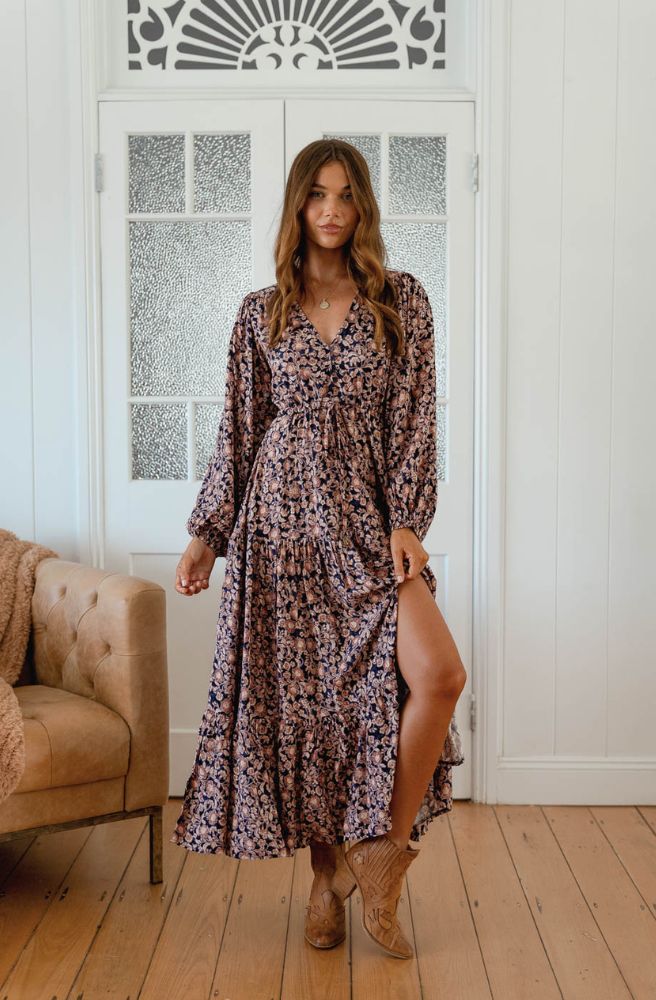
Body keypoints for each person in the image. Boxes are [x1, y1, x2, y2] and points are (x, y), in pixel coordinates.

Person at [171, 139, 466, 960]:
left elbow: (416, 419)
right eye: (316, 195)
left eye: (345, 195)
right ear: (298, 206)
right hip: (280, 536)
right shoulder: (259, 312)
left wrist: (407, 520)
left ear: (362, 206)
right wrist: (206, 536)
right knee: (310, 713)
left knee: (438, 675)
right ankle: (323, 883)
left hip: (368, 530)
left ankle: (382, 854)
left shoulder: (400, 300)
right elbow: (238, 434)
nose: (331, 210)